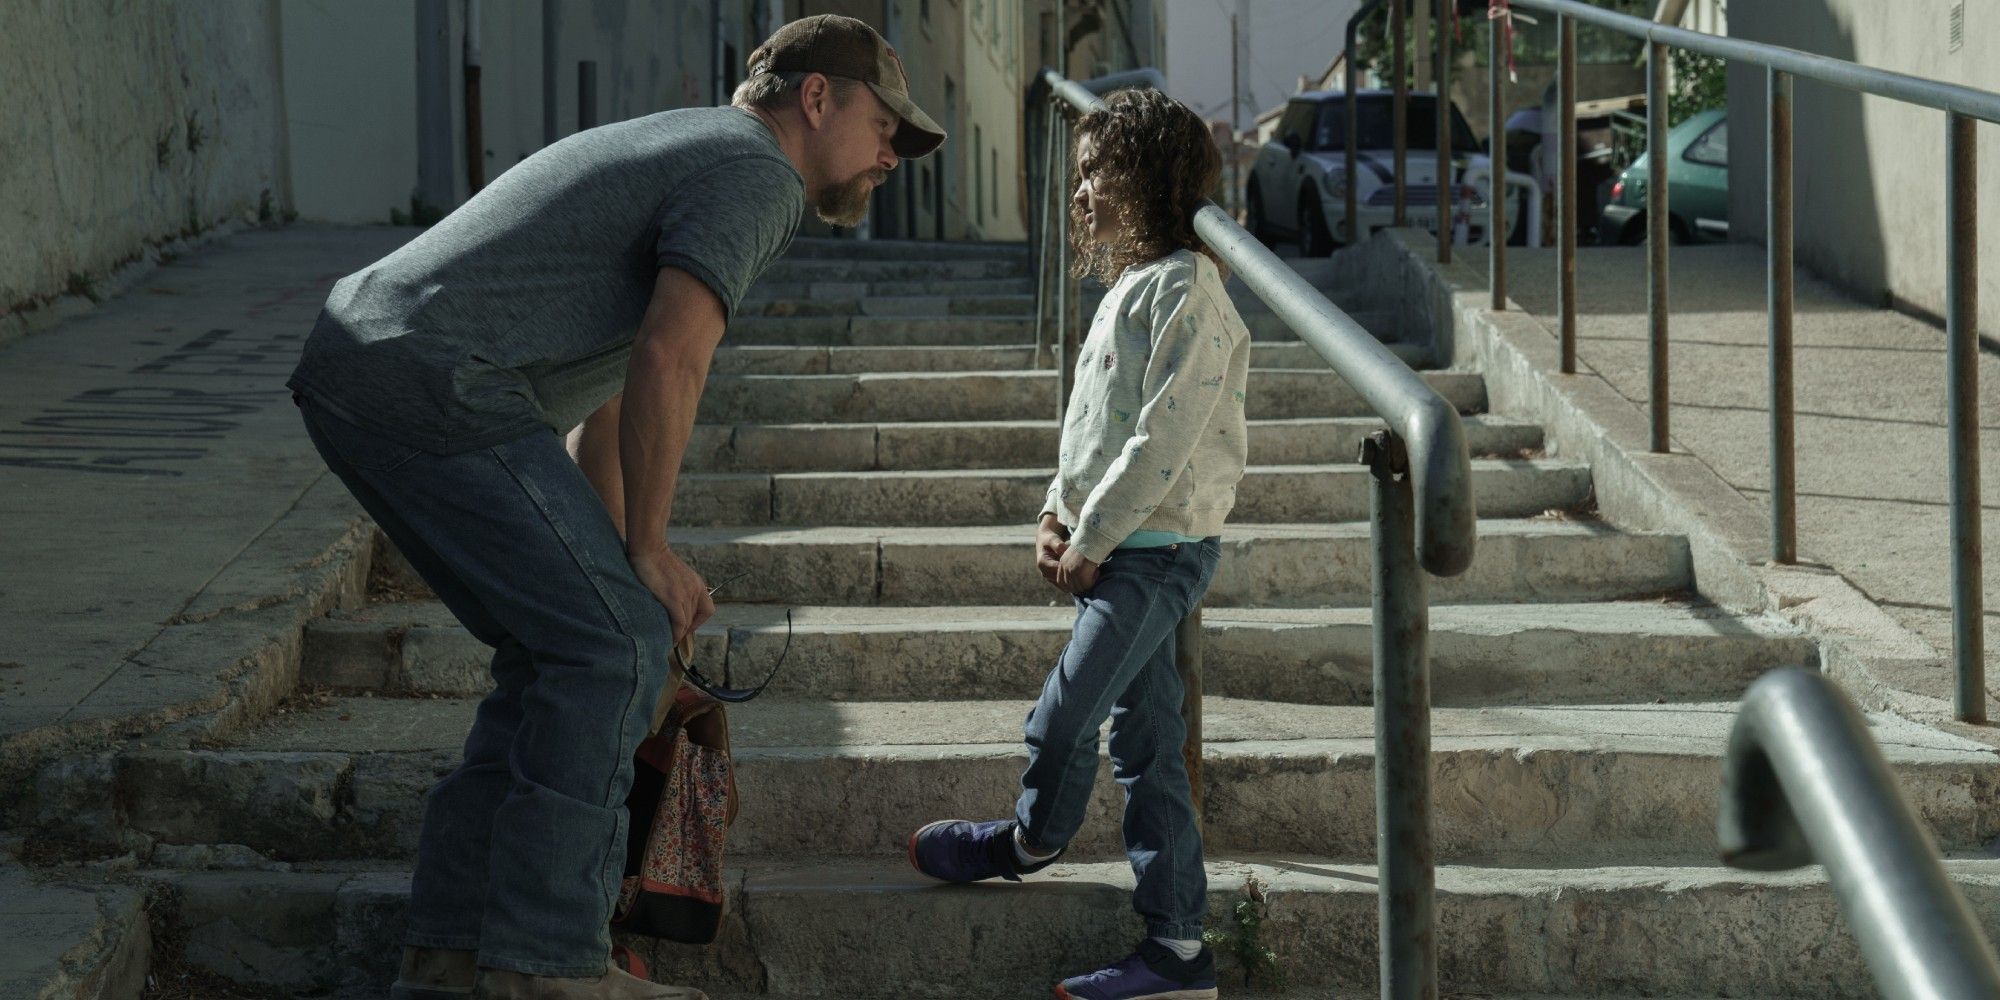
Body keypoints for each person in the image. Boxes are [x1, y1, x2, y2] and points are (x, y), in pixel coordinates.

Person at [284, 15, 942, 1000]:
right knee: (612, 647)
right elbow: (668, 355)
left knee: (569, 642)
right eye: (887, 125)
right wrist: (647, 551)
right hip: (436, 382)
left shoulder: (680, 143)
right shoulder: (756, 174)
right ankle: (548, 961)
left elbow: (606, 395)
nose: (893, 154)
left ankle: (451, 955)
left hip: (368, 361)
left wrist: (624, 556)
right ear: (816, 100)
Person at [907, 88, 1248, 1000]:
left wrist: (1093, 536)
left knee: (1062, 718)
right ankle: (1178, 951)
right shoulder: (1124, 292)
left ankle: (1030, 838)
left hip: (1159, 551)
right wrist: (1055, 512)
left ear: (1154, 177)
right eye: (1082, 171)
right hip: (1113, 545)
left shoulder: (1191, 289)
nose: (1084, 188)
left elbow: (1164, 438)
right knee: (1149, 745)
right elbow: (1090, 429)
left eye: (1102, 169)